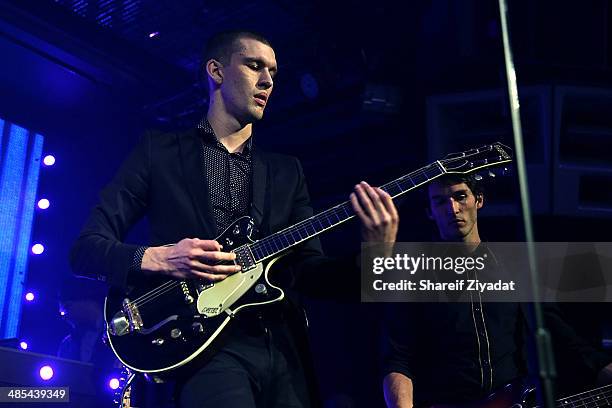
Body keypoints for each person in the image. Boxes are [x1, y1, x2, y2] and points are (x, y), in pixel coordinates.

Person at [70, 30, 399, 408]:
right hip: (203, 349)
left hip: (283, 350)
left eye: (273, 72)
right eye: (255, 65)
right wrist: (162, 258)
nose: (268, 81)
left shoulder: (286, 171)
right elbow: (86, 250)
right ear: (216, 71)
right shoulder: (157, 152)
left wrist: (378, 253)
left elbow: (312, 272)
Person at [381, 174, 612, 407]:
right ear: (430, 212)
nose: (452, 208)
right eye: (440, 202)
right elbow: (398, 360)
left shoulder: (516, 267)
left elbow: (563, 338)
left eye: (460, 196)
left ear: (479, 200)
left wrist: (603, 369)